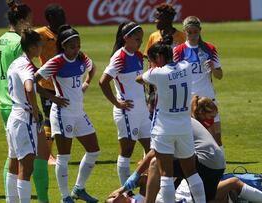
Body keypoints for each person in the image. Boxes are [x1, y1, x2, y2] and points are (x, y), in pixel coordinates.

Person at [106, 118, 262, 203]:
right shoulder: (141, 196)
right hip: (197, 180)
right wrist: (130, 183)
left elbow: (154, 157)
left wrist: (128, 184)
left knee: (224, 190)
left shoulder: (141, 193)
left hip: (197, 175)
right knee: (229, 185)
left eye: (112, 197)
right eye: (112, 200)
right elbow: (153, 156)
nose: (113, 197)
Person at [35, 25, 100, 203]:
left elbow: (92, 67)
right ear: (63, 46)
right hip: (63, 114)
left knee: (94, 151)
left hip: (79, 113)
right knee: (64, 156)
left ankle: (78, 189)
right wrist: (52, 98)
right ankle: (65, 197)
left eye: (78, 45)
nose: (76, 49)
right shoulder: (56, 62)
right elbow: (33, 82)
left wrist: (86, 83)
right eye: (72, 46)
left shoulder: (81, 57)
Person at [136, 41, 206, 203]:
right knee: (192, 172)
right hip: (184, 128)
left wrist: (152, 69)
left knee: (166, 175)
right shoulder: (186, 67)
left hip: (164, 129)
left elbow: (138, 79)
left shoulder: (157, 74)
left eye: (151, 60)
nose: (151, 64)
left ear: (159, 58)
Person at [0, 1, 50, 201]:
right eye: (29, 19)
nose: (31, 22)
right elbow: (28, 79)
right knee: (38, 157)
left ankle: (12, 199)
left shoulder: (1, 39)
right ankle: (43, 199)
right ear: (21, 20)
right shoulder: (19, 43)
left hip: (5, 103)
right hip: (20, 106)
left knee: (13, 157)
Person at [99, 21, 151, 188]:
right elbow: (103, 82)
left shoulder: (137, 55)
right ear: (126, 38)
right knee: (127, 152)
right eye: (137, 39)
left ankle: (147, 186)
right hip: (128, 112)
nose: (140, 43)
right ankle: (125, 193)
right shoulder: (119, 57)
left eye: (141, 40)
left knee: (152, 149)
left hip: (142, 111)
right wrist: (117, 102)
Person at [173, 16, 223, 151]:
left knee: (216, 137)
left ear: (200, 30)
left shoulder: (210, 48)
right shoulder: (178, 51)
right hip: (188, 100)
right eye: (190, 32)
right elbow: (173, 75)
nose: (193, 35)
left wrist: (213, 67)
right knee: (191, 137)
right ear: (185, 32)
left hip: (208, 97)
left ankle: (220, 167)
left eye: (195, 32)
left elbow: (219, 76)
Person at [5, 29, 42, 203]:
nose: (41, 48)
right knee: (26, 168)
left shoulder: (15, 62)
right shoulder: (27, 66)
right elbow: (29, 87)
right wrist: (35, 111)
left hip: (14, 116)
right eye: (40, 45)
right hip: (24, 119)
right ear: (33, 47)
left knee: (13, 165)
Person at [35, 3, 67, 166]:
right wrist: (36, 70)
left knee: (62, 119)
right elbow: (27, 50)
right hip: (47, 84)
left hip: (64, 84)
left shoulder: (64, 32)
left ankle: (52, 151)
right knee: (50, 118)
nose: (64, 19)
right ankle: (46, 154)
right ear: (50, 18)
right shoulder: (40, 33)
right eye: (60, 16)